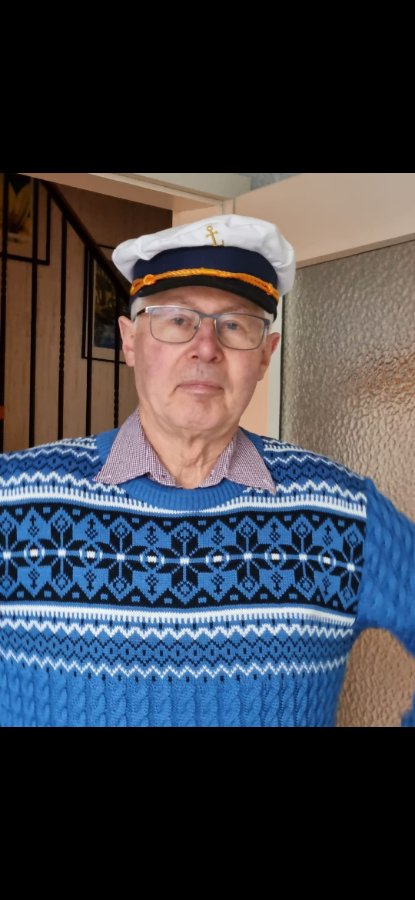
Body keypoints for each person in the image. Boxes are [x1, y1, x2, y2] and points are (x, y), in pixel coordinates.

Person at [0, 214, 414, 727]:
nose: (206, 347)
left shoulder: (343, 511)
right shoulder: (13, 499)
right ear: (130, 341)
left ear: (265, 356)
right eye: (177, 320)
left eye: (235, 325)